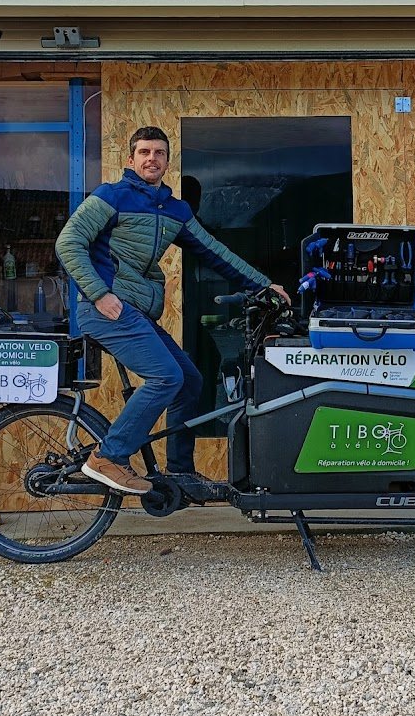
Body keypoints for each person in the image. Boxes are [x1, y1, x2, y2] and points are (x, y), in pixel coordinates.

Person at [55, 125, 290, 496]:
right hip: (107, 309)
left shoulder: (173, 209)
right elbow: (69, 242)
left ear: (167, 162)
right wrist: (99, 294)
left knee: (189, 381)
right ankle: (108, 456)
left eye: (159, 153)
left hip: (137, 312)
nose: (152, 158)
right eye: (144, 152)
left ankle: (179, 472)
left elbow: (215, 252)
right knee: (166, 377)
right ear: (130, 159)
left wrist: (263, 286)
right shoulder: (111, 196)